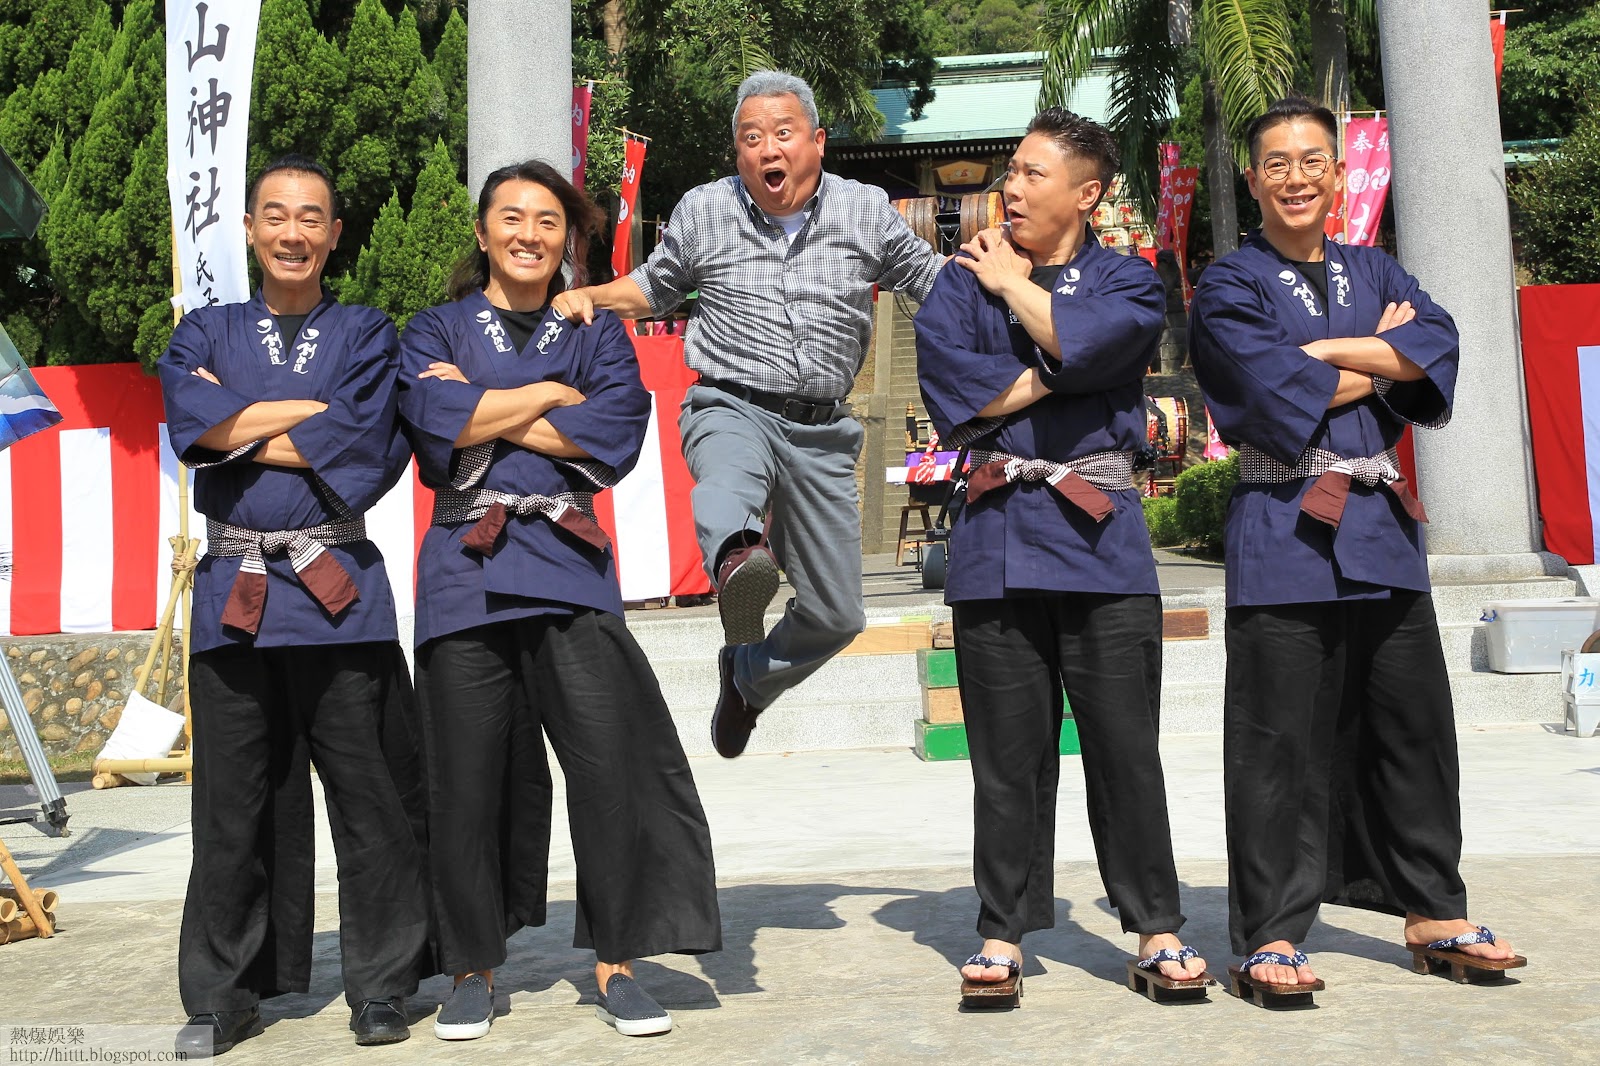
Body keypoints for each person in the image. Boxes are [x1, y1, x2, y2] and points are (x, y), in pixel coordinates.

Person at [1187, 96, 1524, 1001]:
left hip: (1378, 531)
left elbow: (1438, 341)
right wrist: (1380, 349)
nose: (1296, 177)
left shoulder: (1373, 264)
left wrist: (1333, 351)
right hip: (1282, 527)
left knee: (1414, 728)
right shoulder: (1229, 283)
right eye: (1277, 163)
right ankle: (1269, 933)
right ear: (1252, 179)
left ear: (1339, 174)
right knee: (1276, 742)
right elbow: (1265, 385)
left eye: (1313, 161)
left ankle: (1434, 911)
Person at [397, 160, 721, 1042]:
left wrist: (483, 406)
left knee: (609, 769)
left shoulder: (596, 330)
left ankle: (617, 961)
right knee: (463, 781)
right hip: (464, 574)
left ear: (566, 239)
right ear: (482, 232)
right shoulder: (433, 328)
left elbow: (611, 431)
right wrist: (546, 395)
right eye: (512, 217)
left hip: (569, 569)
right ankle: (471, 968)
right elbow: (433, 424)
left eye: (548, 221)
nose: (530, 235)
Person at [554, 70, 943, 758]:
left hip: (822, 429)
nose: (768, 149)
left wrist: (1005, 281)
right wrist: (591, 298)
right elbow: (655, 286)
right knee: (727, 482)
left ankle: (748, 676)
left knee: (837, 614)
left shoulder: (865, 209)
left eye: (783, 133)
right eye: (751, 138)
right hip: (730, 401)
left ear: (818, 142)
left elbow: (932, 283)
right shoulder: (706, 209)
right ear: (737, 151)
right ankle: (738, 560)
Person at [915, 108, 1208, 1007]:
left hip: (1100, 541)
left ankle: (1155, 926)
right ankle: (1001, 931)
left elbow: (1107, 344)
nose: (1010, 187)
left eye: (1032, 173)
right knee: (1006, 758)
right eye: (1011, 170)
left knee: (1126, 748)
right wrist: (1059, 365)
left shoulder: (1127, 277)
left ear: (1087, 193)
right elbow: (959, 397)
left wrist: (1020, 294)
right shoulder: (959, 281)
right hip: (995, 538)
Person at [158, 155, 430, 1054]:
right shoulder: (204, 329)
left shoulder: (365, 331)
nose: (292, 232)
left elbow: (363, 436)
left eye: (311, 217)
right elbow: (190, 425)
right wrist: (301, 417)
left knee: (369, 796)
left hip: (337, 591)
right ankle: (225, 994)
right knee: (231, 807)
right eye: (274, 215)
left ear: (334, 234)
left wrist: (235, 423)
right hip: (233, 595)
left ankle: (383, 985)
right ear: (249, 229)